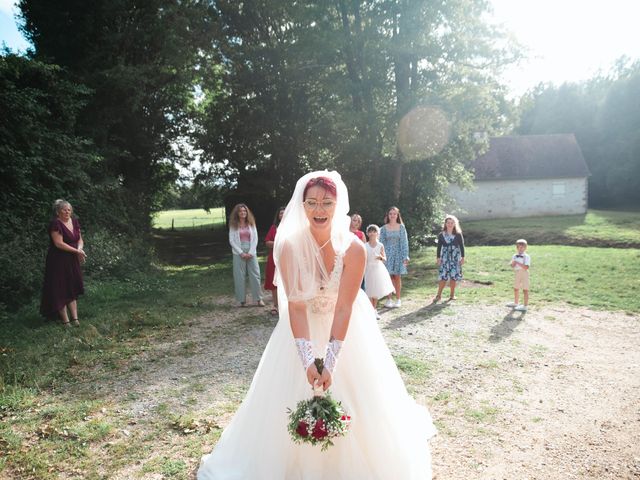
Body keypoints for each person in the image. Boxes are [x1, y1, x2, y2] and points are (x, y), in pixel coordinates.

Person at [198, 171, 435, 479]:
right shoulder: (289, 246)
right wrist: (308, 360)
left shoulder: (354, 249)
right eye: (312, 203)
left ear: (338, 205)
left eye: (327, 202)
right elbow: (295, 307)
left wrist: (331, 362)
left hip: (347, 329)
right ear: (302, 204)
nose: (319, 210)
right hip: (301, 328)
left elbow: (344, 306)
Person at [40, 199, 87, 327]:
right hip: (58, 260)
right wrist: (76, 252)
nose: (67, 212)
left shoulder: (75, 222)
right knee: (60, 288)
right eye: (64, 209)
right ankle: (66, 321)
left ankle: (75, 319)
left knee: (71, 286)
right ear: (58, 212)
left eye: (69, 210)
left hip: (72, 259)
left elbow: (80, 240)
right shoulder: (56, 224)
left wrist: (79, 250)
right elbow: (58, 243)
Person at [228, 203, 264, 307]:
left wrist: (251, 252)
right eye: (240, 211)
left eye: (244, 211)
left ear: (247, 212)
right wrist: (241, 253)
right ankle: (241, 300)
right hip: (238, 252)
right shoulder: (233, 225)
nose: (243, 213)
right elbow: (231, 240)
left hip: (251, 250)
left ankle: (258, 299)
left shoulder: (251, 223)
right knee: (239, 276)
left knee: (255, 275)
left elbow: (255, 238)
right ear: (237, 213)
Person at [379, 206, 409, 308]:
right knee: (388, 277)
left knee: (397, 277)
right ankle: (389, 299)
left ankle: (398, 299)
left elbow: (404, 243)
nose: (392, 215)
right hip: (387, 255)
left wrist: (405, 256)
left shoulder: (401, 227)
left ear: (397, 215)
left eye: (394, 214)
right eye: (390, 213)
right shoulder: (383, 229)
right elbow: (381, 244)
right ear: (388, 215)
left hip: (399, 254)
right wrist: (381, 257)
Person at [364, 224, 395, 319]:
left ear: (378, 233)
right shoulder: (365, 245)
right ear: (368, 233)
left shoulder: (380, 245)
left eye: (374, 231)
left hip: (378, 269)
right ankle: (371, 310)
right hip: (368, 269)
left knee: (376, 289)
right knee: (369, 289)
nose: (372, 233)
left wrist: (380, 257)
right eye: (370, 231)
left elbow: (384, 258)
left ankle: (374, 309)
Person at [433, 214, 465, 303]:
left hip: (455, 258)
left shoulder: (458, 234)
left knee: (453, 277)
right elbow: (439, 247)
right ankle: (438, 295)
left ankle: (452, 295)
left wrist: (462, 257)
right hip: (445, 258)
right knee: (443, 277)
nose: (450, 224)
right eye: (448, 223)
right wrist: (438, 258)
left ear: (455, 224)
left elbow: (462, 246)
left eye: (452, 223)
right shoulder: (441, 235)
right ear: (445, 224)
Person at [264, 206, 285, 315]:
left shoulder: (293, 227)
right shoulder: (274, 228)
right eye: (281, 213)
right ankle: (275, 305)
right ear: (278, 215)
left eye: (285, 213)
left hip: (288, 259)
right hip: (274, 258)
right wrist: (279, 243)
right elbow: (267, 242)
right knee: (274, 282)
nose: (283, 215)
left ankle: (286, 306)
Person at [506, 239, 530, 312]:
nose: (520, 248)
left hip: (524, 273)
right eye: (519, 247)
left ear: (525, 248)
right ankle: (516, 303)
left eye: (522, 247)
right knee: (516, 288)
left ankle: (525, 306)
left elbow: (526, 267)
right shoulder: (514, 255)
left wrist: (517, 262)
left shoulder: (526, 256)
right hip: (517, 272)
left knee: (525, 289)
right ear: (517, 247)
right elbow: (512, 266)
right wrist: (512, 264)